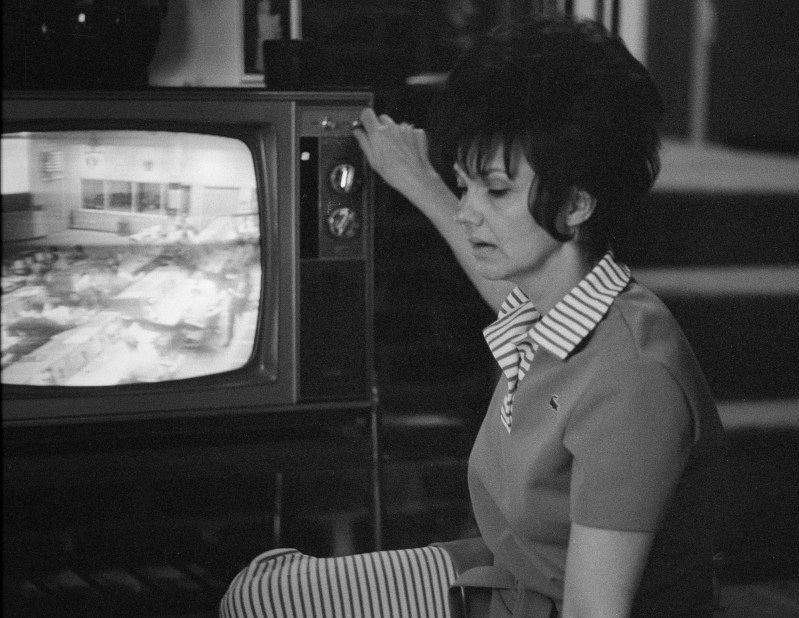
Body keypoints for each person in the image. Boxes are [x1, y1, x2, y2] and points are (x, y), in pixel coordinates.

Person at [221, 14, 725, 618]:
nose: (467, 213)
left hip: (551, 605)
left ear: (577, 203)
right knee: (259, 592)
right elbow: (498, 285)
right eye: (466, 187)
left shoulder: (635, 384)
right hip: (512, 578)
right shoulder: (561, 305)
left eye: (496, 191)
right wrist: (417, 177)